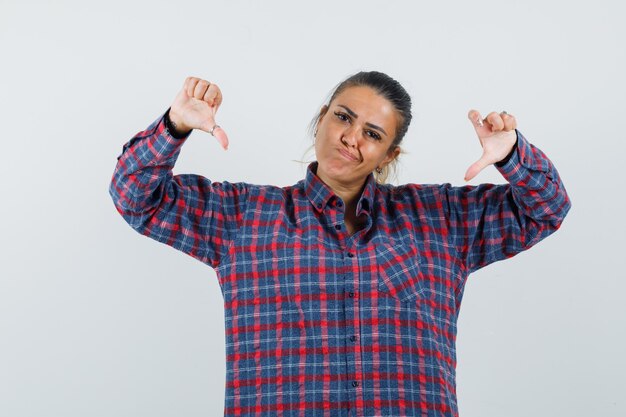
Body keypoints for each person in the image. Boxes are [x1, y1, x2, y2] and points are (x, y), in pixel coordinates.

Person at [109, 71, 571, 417]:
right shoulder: (243, 217)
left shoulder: (441, 219)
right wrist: (174, 127)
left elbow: (547, 209)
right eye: (343, 118)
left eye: (373, 134)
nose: (351, 138)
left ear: (389, 154)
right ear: (321, 120)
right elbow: (135, 199)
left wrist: (512, 156)